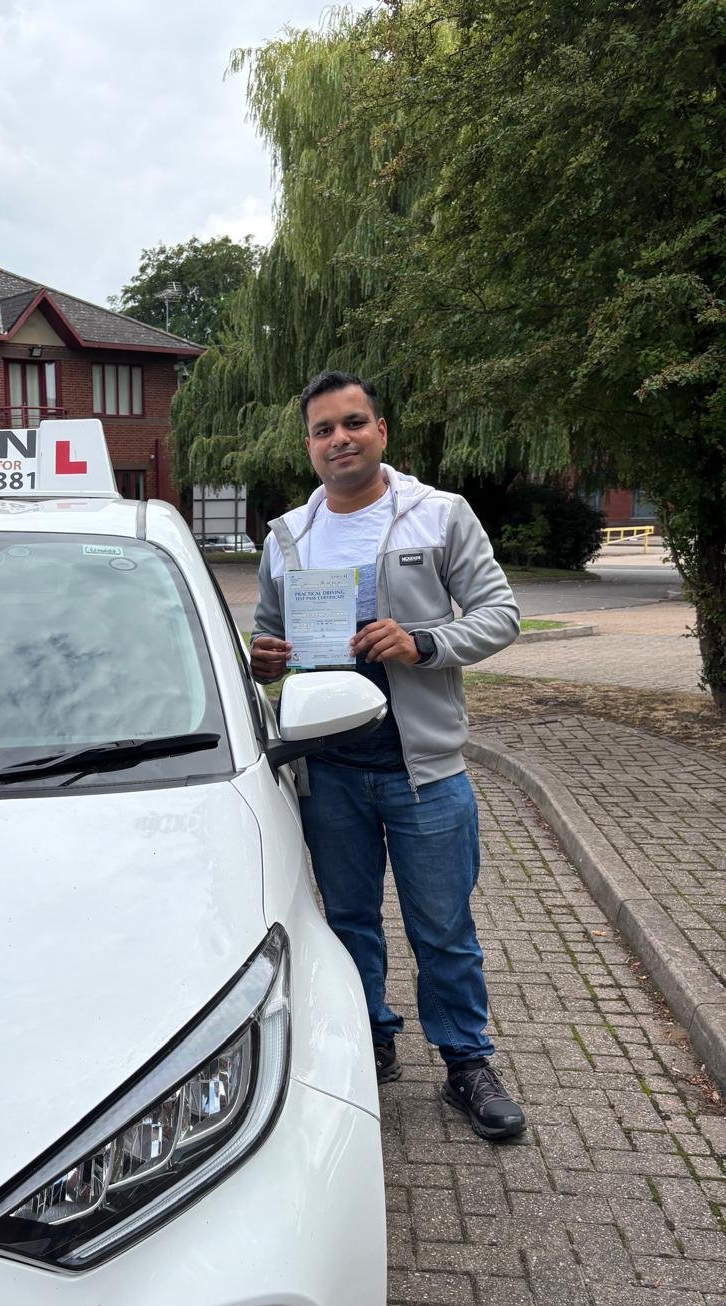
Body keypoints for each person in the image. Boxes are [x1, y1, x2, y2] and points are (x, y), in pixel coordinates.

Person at [250, 370, 526, 1141]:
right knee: (347, 923)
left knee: (442, 927)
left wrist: (423, 643)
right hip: (328, 770)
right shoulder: (287, 536)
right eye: (323, 429)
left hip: (423, 770)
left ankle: (467, 1062)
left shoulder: (439, 516)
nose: (340, 438)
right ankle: (370, 1043)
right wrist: (264, 658)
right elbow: (269, 635)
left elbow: (500, 613)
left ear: (381, 432)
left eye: (353, 423)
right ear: (308, 446)